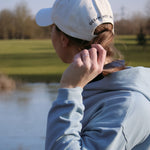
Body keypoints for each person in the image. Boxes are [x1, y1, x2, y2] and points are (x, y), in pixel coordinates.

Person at [36, 0, 150, 149]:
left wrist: (69, 89)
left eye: (52, 28)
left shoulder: (128, 105)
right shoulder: (92, 86)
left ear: (63, 39)